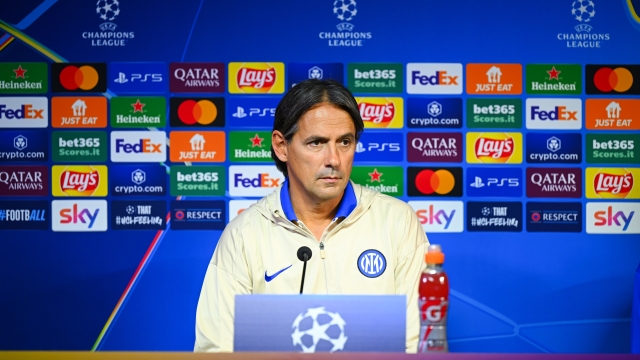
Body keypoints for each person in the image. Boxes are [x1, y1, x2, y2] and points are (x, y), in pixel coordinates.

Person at [194, 79, 429, 353]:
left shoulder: (397, 222)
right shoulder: (245, 234)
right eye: (316, 142)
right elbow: (216, 349)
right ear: (282, 146)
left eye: (345, 141)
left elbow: (418, 343)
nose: (334, 159)